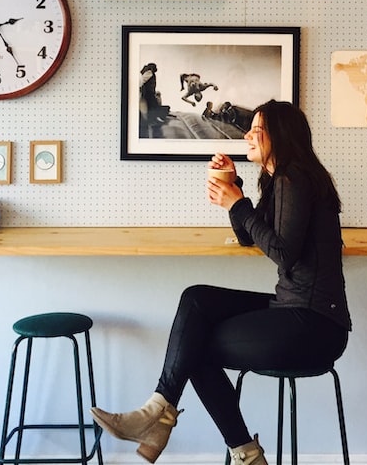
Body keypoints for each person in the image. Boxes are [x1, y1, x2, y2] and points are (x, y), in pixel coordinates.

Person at [91, 100, 351, 465]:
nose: (247, 136)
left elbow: (283, 253)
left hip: (314, 325)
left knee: (192, 345)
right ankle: (160, 414)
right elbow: (250, 238)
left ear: (281, 136)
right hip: (294, 309)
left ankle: (175, 425)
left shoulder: (295, 179)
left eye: (257, 131)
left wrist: (238, 202)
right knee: (197, 301)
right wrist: (235, 189)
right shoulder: (281, 181)